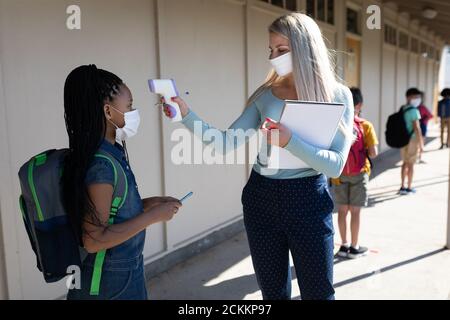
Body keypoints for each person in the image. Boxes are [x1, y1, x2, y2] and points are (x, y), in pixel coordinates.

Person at [162, 13, 354, 300]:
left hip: (308, 200)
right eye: (271, 50)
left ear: (305, 49)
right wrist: (186, 115)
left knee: (318, 293)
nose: (273, 57)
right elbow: (225, 143)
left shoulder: (337, 95)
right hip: (260, 197)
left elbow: (336, 166)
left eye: (282, 50)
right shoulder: (265, 95)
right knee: (272, 293)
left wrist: (290, 142)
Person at [64, 65, 182, 300]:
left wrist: (150, 204)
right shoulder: (101, 166)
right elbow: (94, 239)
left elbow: (111, 210)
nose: (133, 112)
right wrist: (153, 216)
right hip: (109, 281)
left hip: (123, 271)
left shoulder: (110, 152)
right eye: (129, 106)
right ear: (108, 112)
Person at [333, 88, 379, 259]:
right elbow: (373, 153)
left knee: (342, 211)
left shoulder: (336, 124)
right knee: (355, 211)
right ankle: (355, 246)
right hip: (359, 173)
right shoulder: (365, 125)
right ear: (359, 104)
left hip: (339, 173)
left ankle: (343, 246)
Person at [399, 88, 424, 195]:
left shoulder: (403, 108)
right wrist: (421, 143)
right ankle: (409, 187)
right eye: (416, 97)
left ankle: (402, 186)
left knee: (404, 163)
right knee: (411, 164)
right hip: (412, 140)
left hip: (403, 138)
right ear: (409, 97)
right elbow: (417, 128)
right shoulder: (414, 110)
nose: (418, 99)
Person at [417, 92, 433, 163]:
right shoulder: (422, 107)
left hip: (421, 126)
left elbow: (430, 116)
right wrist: (424, 119)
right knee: (420, 143)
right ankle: (419, 157)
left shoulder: (419, 107)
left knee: (419, 143)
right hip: (422, 126)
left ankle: (419, 157)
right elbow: (430, 115)